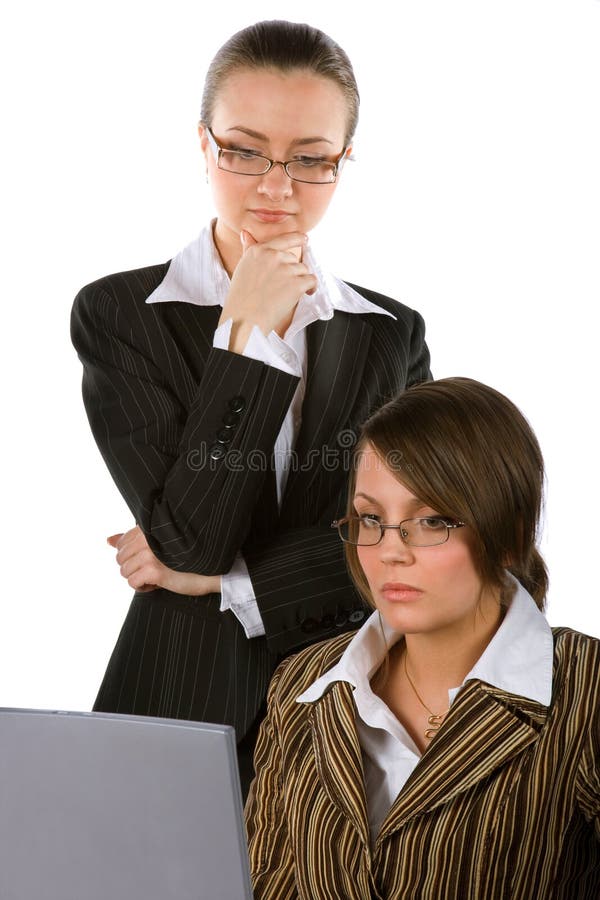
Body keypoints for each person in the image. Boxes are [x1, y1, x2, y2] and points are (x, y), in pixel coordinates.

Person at [70, 19, 430, 794]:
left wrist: (233, 587)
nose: (277, 186)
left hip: (345, 712)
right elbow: (192, 540)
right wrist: (249, 341)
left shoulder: (391, 336)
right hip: (174, 697)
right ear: (203, 146)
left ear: (344, 161)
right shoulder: (121, 314)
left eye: (311, 160)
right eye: (244, 150)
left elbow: (411, 545)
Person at [245, 377, 600, 899]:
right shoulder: (302, 683)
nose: (391, 551)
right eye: (371, 518)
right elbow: (262, 885)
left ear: (510, 534)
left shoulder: (586, 690)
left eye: (431, 520)